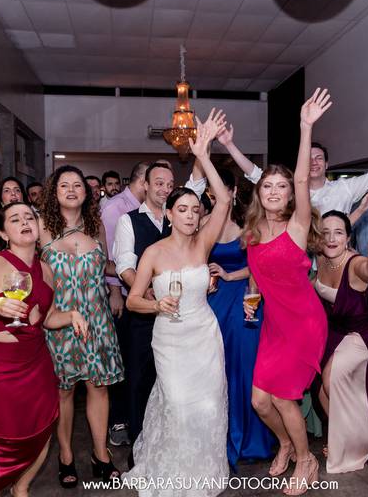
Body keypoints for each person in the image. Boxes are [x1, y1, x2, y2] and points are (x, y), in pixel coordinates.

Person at [0, 202, 87, 497]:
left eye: (29, 217)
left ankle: (21, 488)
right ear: (3, 233)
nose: (24, 222)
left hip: (36, 362)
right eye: (15, 219)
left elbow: (46, 318)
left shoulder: (46, 270)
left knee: (42, 428)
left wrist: (72, 315)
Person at [123, 113, 230, 495]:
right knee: (180, 406)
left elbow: (225, 199)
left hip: (204, 336)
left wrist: (203, 154)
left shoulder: (203, 243)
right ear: (169, 214)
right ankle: (172, 473)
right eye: (181, 209)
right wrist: (157, 307)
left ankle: (202, 473)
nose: (189, 215)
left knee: (208, 406)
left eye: (194, 210)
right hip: (169, 340)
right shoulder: (153, 252)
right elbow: (133, 301)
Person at [242, 89, 331, 495]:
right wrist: (252, 298)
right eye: (268, 186)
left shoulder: (298, 225)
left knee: (281, 398)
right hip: (274, 324)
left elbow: (301, 176)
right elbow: (258, 275)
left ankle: (306, 459)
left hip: (304, 323)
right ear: (259, 193)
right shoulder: (253, 231)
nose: (275, 191)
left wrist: (305, 126)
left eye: (281, 186)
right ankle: (286, 444)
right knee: (260, 401)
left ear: (291, 194)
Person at [112, 160, 207, 455]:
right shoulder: (129, 220)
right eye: (159, 183)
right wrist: (146, 291)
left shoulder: (180, 214)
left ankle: (175, 444)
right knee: (140, 379)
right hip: (143, 314)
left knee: (175, 383)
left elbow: (197, 184)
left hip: (182, 316)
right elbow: (124, 264)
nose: (165, 189)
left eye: (169, 184)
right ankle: (140, 446)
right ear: (145, 185)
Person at [38, 166, 125, 487]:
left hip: (97, 320)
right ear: (54, 191)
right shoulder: (41, 227)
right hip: (58, 322)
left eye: (77, 185)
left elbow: (108, 266)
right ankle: (66, 456)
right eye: (64, 185)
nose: (72, 189)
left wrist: (140, 273)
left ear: (87, 193)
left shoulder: (96, 225)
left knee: (98, 387)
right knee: (64, 391)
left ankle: (101, 455)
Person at [203, 100, 368, 216]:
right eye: (309, 158)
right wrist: (229, 145)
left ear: (327, 164)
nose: (313, 162)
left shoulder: (344, 189)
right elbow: (256, 174)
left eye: (319, 158)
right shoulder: (290, 189)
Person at [199, 162, 276, 467]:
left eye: (219, 191)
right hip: (213, 301)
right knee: (215, 369)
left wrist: (231, 275)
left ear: (231, 192)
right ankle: (218, 437)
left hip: (246, 298)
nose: (214, 196)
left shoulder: (248, 224)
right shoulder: (202, 223)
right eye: (210, 192)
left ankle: (249, 437)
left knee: (244, 367)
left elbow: (259, 265)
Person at [313, 211, 368, 473]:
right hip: (336, 330)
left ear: (348, 238)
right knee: (320, 389)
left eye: (338, 233)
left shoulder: (356, 263)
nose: (331, 238)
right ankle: (347, 438)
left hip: (362, 332)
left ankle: (357, 447)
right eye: (325, 233)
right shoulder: (321, 259)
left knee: (330, 378)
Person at [101, 161, 149, 447]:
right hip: (121, 294)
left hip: (143, 295)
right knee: (120, 360)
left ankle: (136, 417)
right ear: (143, 181)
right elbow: (108, 258)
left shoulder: (148, 209)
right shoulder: (115, 208)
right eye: (157, 182)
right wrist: (115, 291)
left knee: (138, 362)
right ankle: (118, 420)